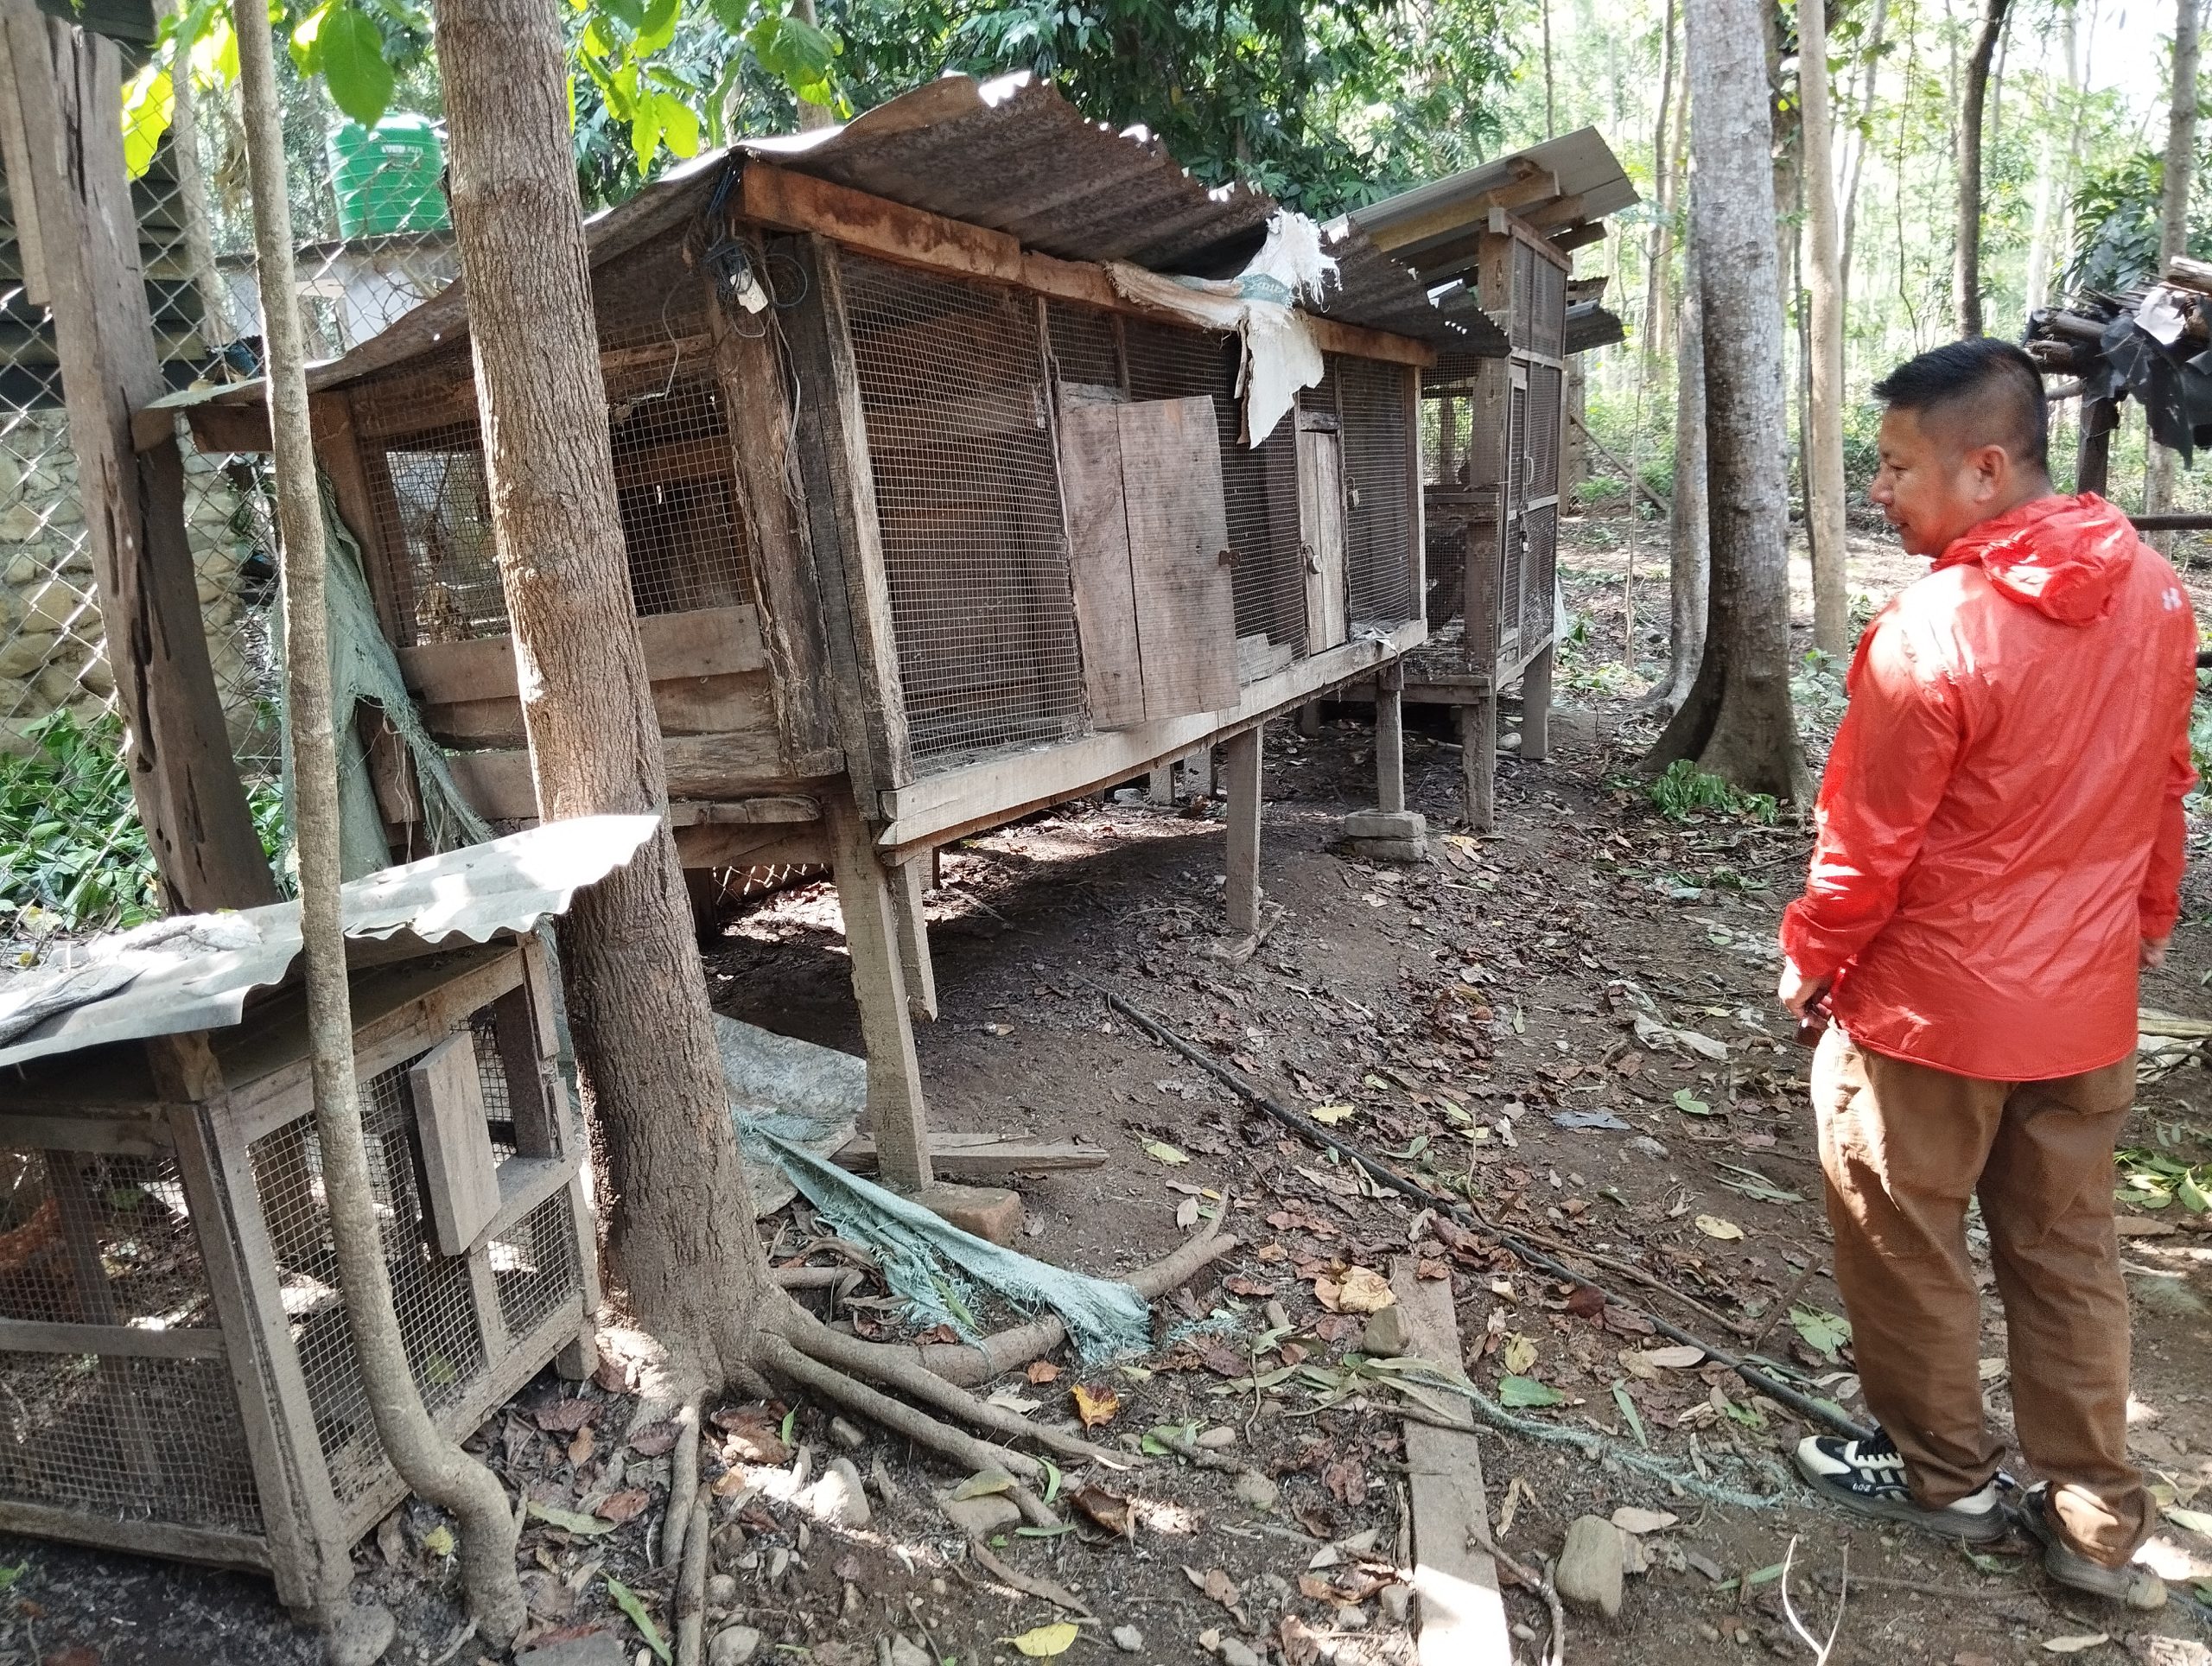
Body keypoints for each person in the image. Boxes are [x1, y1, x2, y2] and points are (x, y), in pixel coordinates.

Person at [1777, 337, 2196, 1611]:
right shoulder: (2163, 598)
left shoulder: (1934, 629)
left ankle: (1945, 1475)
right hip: (2086, 1005)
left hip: (1931, 1011)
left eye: (1900, 467)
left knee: (1904, 1239)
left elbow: (1865, 846)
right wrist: (2146, 929)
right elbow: (2165, 794)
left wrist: (1811, 965)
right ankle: (2093, 1521)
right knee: (2068, 1254)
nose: (1883, 493)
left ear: (1988, 465)